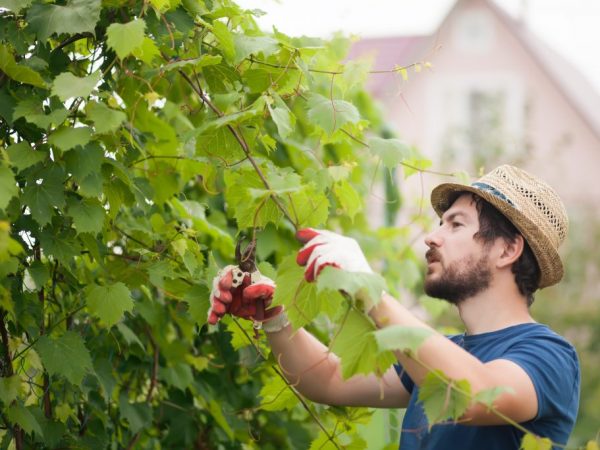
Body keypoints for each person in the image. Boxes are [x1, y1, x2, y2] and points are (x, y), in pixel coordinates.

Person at [207, 165, 580, 449]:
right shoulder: (444, 354)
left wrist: (370, 291)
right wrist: (275, 316)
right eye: (439, 224)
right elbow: (329, 381)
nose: (432, 237)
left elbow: (472, 395)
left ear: (507, 250)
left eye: (455, 224)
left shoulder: (550, 357)